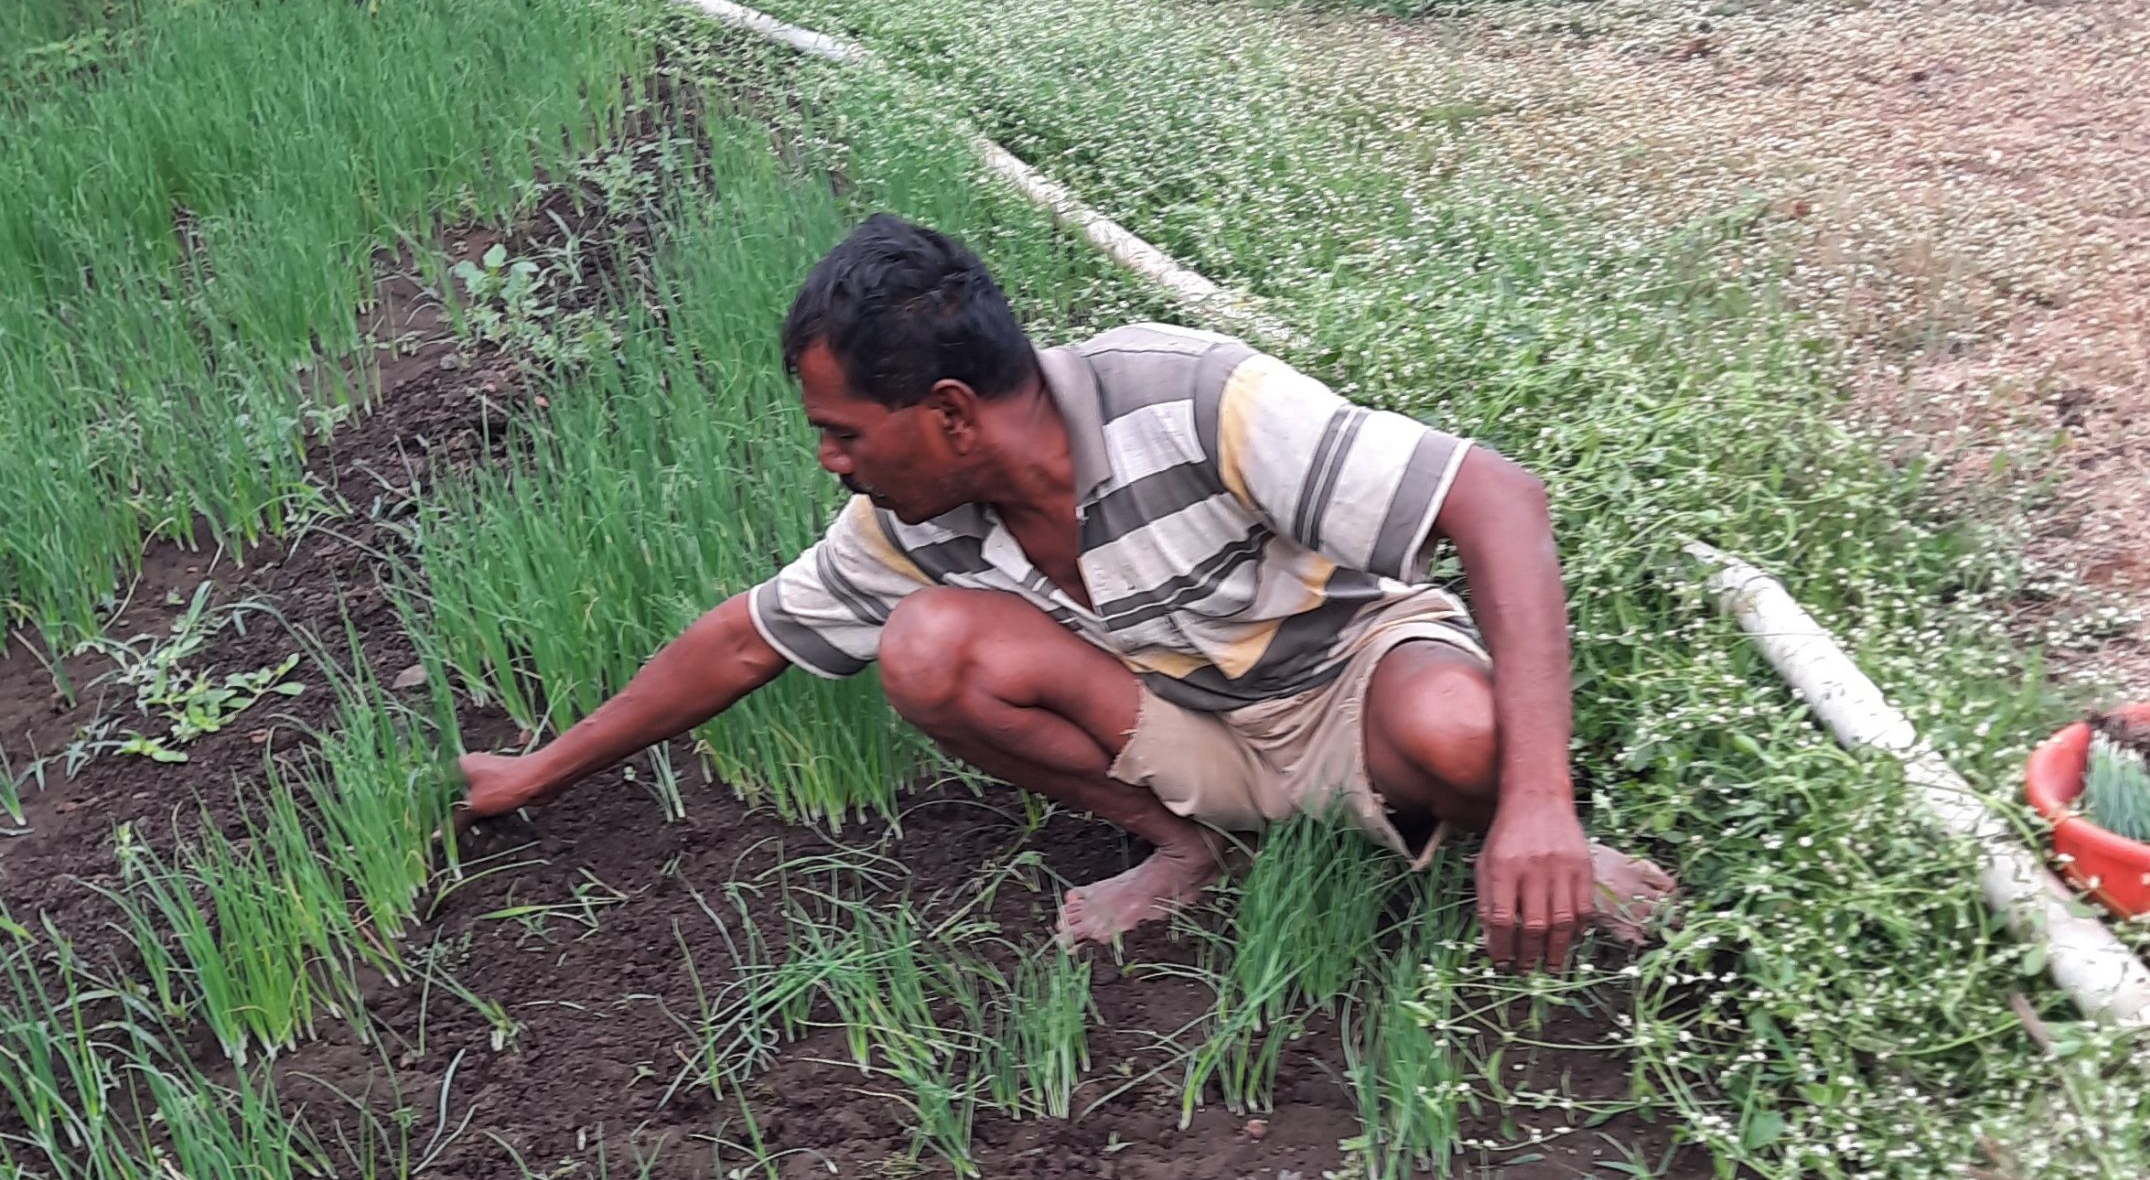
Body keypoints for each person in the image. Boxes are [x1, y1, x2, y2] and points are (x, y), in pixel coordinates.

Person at [458, 215, 1675, 971]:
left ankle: (1522, 846)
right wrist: (536, 773)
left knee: (1467, 741)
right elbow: (741, 643)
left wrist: (1538, 803)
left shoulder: (1189, 396)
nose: (828, 460)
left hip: (1348, 684)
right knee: (927, 648)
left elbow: (1499, 499)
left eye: (843, 432)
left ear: (946, 414)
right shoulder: (908, 517)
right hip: (1185, 725)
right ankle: (1185, 850)